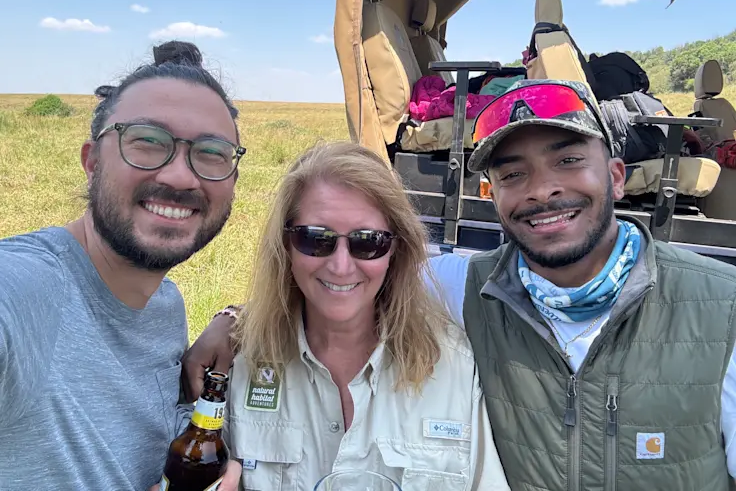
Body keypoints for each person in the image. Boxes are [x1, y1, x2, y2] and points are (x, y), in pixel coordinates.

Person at [184, 78, 736, 490]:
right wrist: (234, 320)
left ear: (615, 175)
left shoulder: (722, 310)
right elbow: (334, 285)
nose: (542, 191)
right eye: (513, 173)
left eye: (568, 161)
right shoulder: (461, 287)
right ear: (490, 194)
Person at [0, 41, 242, 490]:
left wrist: (234, 318)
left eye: (212, 152)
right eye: (147, 141)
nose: (180, 176)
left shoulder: (165, 304)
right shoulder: (18, 285)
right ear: (92, 161)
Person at [216, 140, 510, 490]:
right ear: (285, 245)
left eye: (367, 242)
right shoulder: (237, 361)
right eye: (316, 239)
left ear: (395, 250)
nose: (341, 266)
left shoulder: (453, 365)